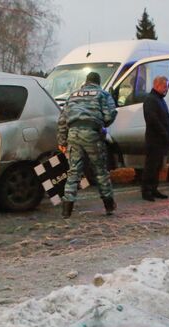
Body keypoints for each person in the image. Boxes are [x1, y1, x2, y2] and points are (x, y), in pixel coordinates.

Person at [57, 72, 117, 218]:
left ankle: (66, 210)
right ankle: (109, 205)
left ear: (86, 81)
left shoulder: (73, 95)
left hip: (73, 135)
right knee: (100, 171)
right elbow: (110, 114)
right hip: (92, 134)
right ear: (98, 82)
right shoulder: (103, 94)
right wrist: (102, 125)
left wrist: (62, 141)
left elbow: (62, 120)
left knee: (74, 172)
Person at [141, 75, 169, 201]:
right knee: (151, 166)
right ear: (157, 85)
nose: (166, 89)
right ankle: (146, 190)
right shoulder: (151, 100)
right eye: (164, 86)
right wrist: (164, 133)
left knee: (157, 166)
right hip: (154, 139)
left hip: (160, 139)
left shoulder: (159, 99)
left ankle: (153, 188)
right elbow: (153, 120)